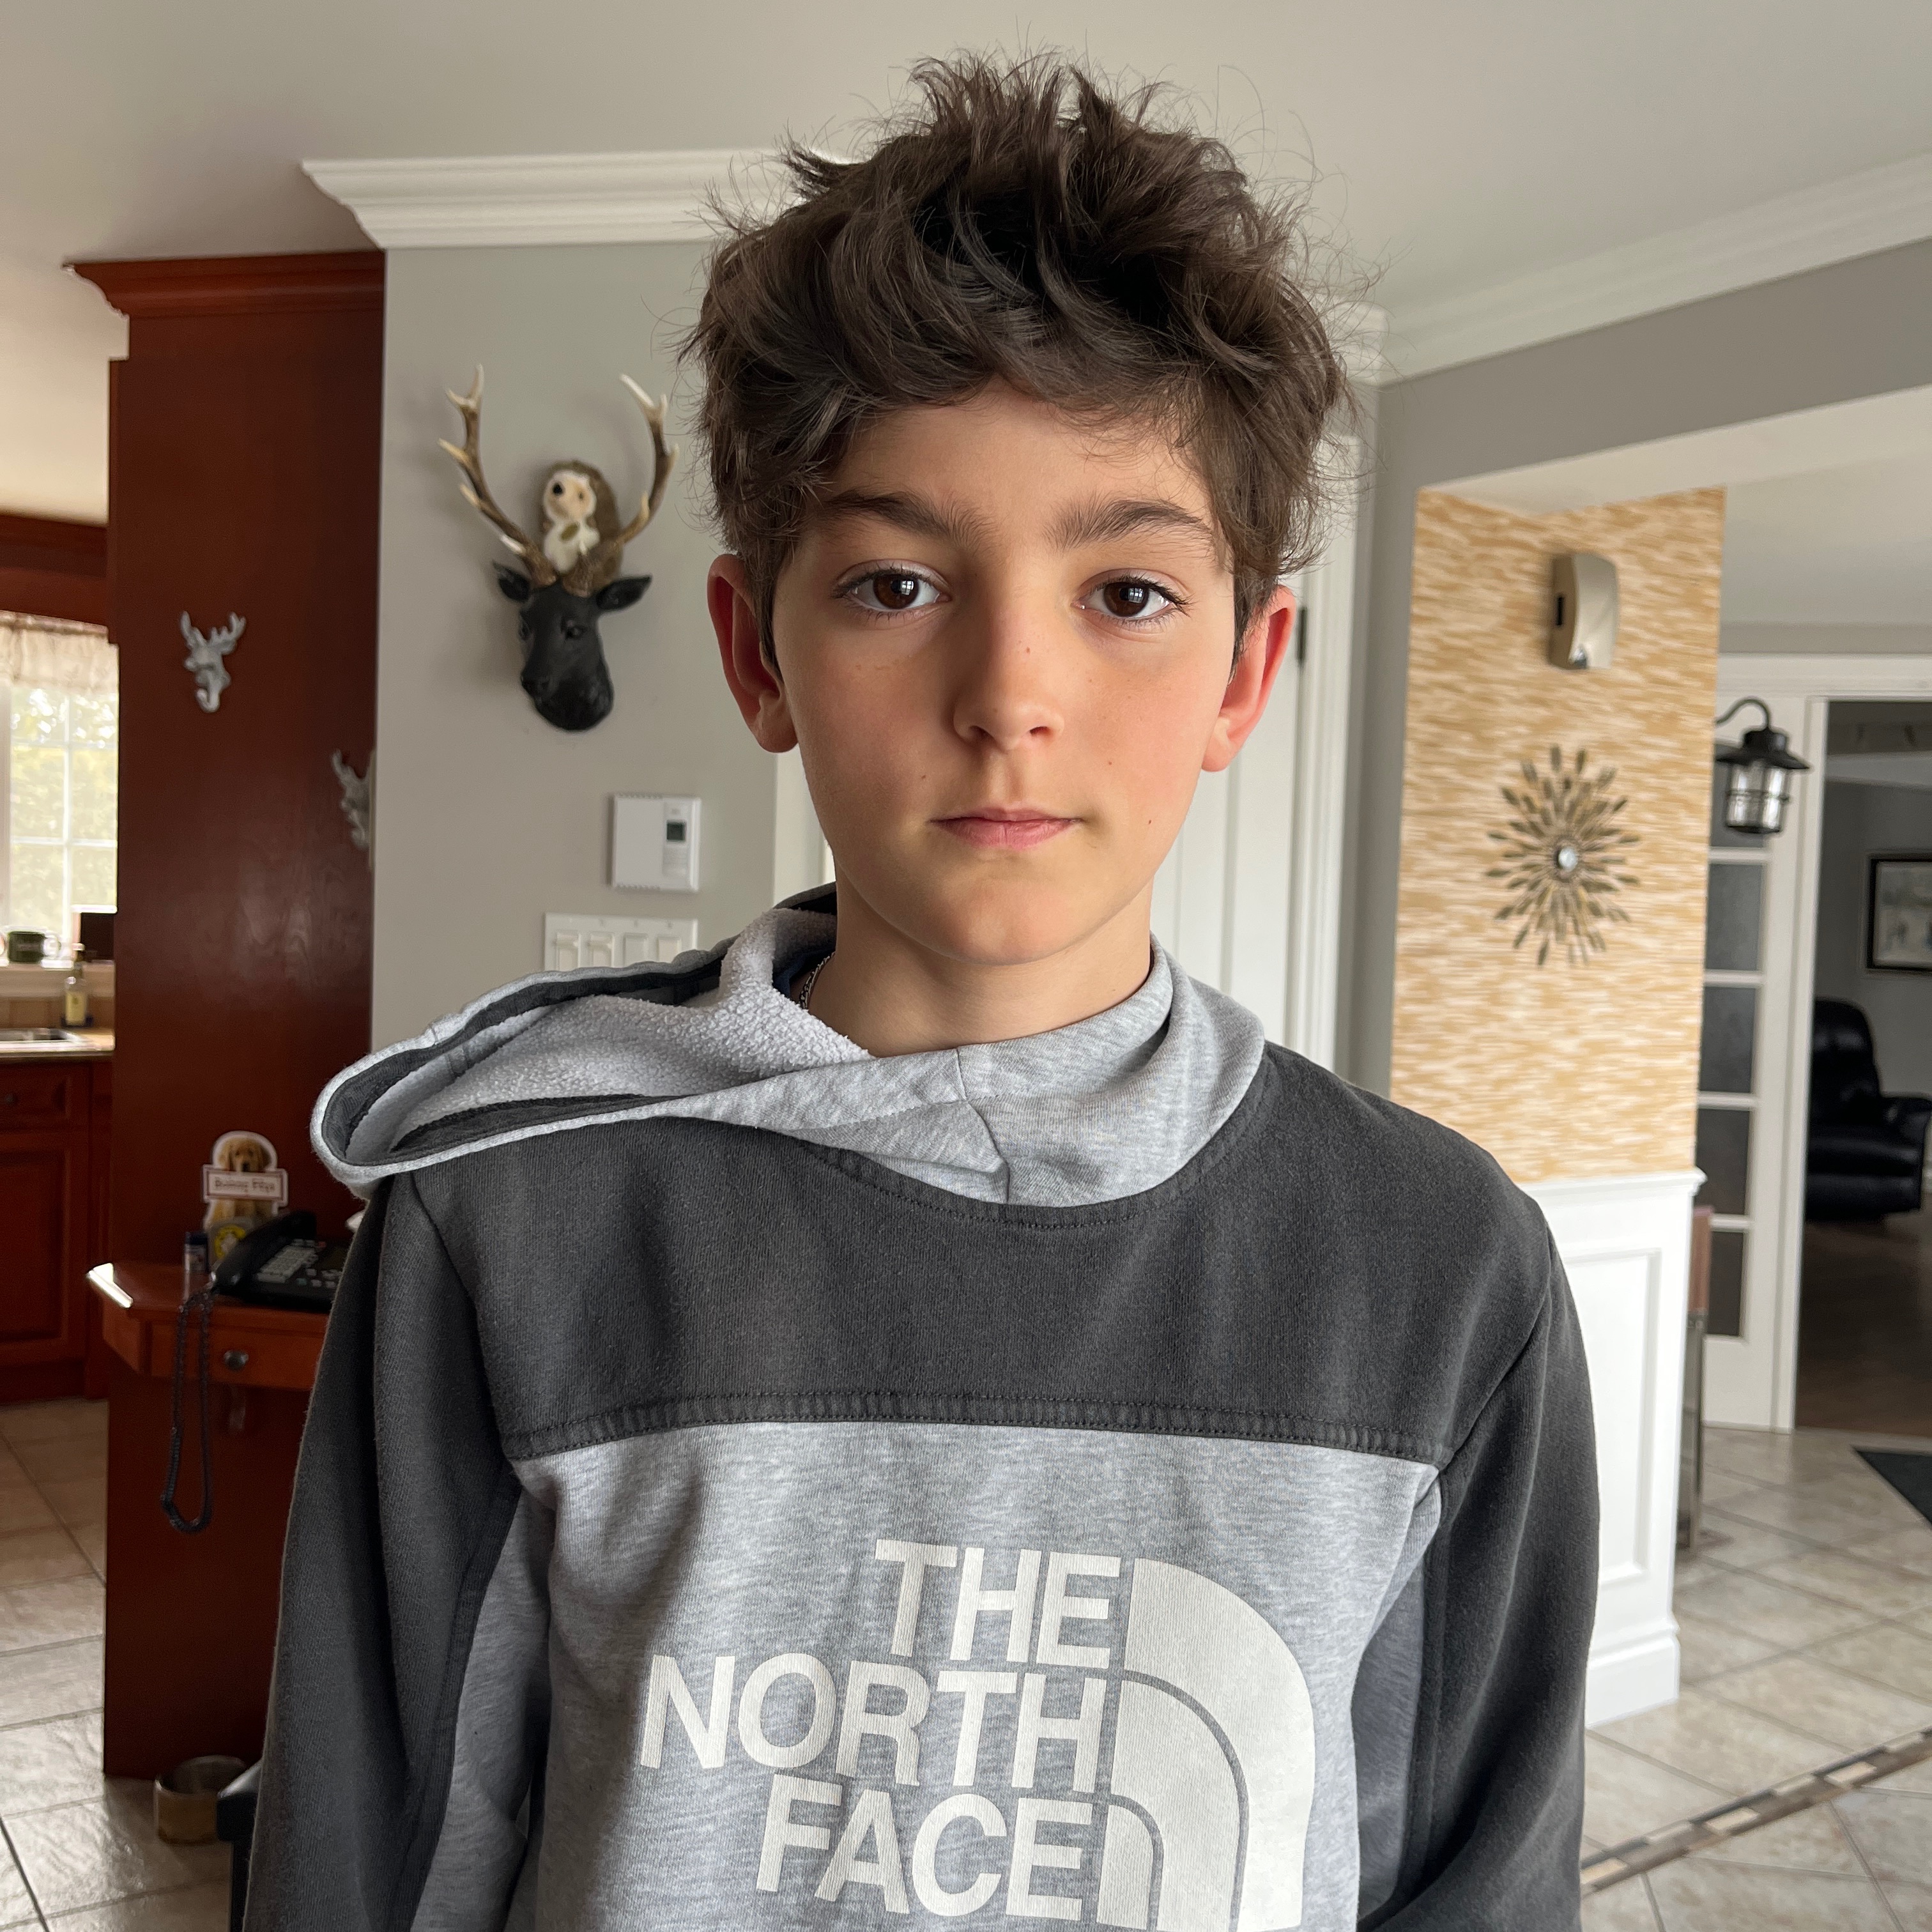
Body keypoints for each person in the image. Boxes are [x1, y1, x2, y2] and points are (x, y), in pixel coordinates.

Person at [249, 53, 1596, 1932]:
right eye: (895, 584)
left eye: (1128, 594)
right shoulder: (508, 1223)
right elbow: (360, 1873)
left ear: (1245, 673)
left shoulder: (1441, 1274)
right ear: (758, 654)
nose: (1010, 694)